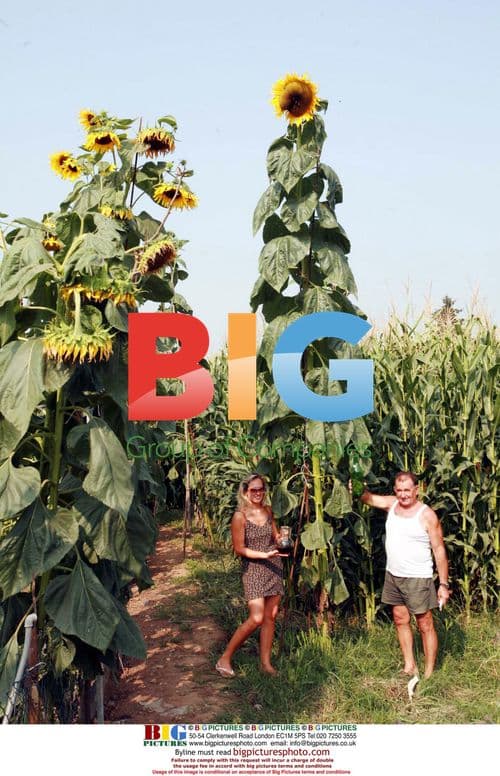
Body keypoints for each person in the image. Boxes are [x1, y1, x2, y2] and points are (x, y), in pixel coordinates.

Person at [358, 471, 450, 679]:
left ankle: (429, 673)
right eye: (399, 490)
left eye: (407, 490)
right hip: (394, 574)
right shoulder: (392, 505)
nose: (403, 495)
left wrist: (443, 584)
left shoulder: (426, 515)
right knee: (400, 619)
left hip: (418, 577)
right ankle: (409, 665)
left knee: (424, 623)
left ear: (417, 490)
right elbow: (366, 497)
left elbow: (439, 550)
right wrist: (354, 478)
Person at [215, 473, 283, 677]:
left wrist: (282, 539)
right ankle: (225, 657)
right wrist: (263, 554)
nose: (258, 493)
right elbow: (239, 549)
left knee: (270, 617)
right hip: (253, 569)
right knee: (256, 617)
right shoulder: (240, 517)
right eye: (254, 489)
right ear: (245, 492)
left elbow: (275, 535)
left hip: (273, 567)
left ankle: (266, 664)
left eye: (261, 489)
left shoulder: (268, 511)